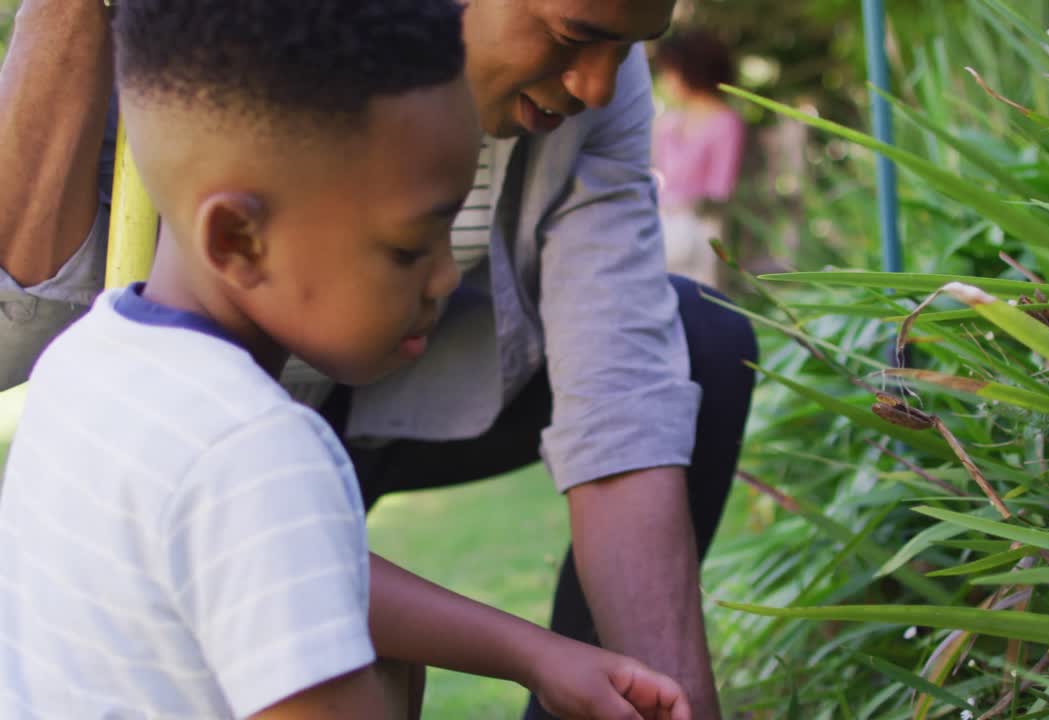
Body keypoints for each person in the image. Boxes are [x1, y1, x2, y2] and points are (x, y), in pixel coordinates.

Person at [0, 1, 758, 717]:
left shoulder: (90, 372)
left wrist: (539, 655)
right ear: (236, 237)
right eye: (409, 247)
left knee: (388, 651)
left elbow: (293, 563)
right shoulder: (258, 456)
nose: (445, 280)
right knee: (378, 665)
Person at [652, 30, 748, 289]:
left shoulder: (726, 123)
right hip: (663, 226)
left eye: (669, 72)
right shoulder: (668, 124)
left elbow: (720, 189)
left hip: (699, 228)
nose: (664, 81)